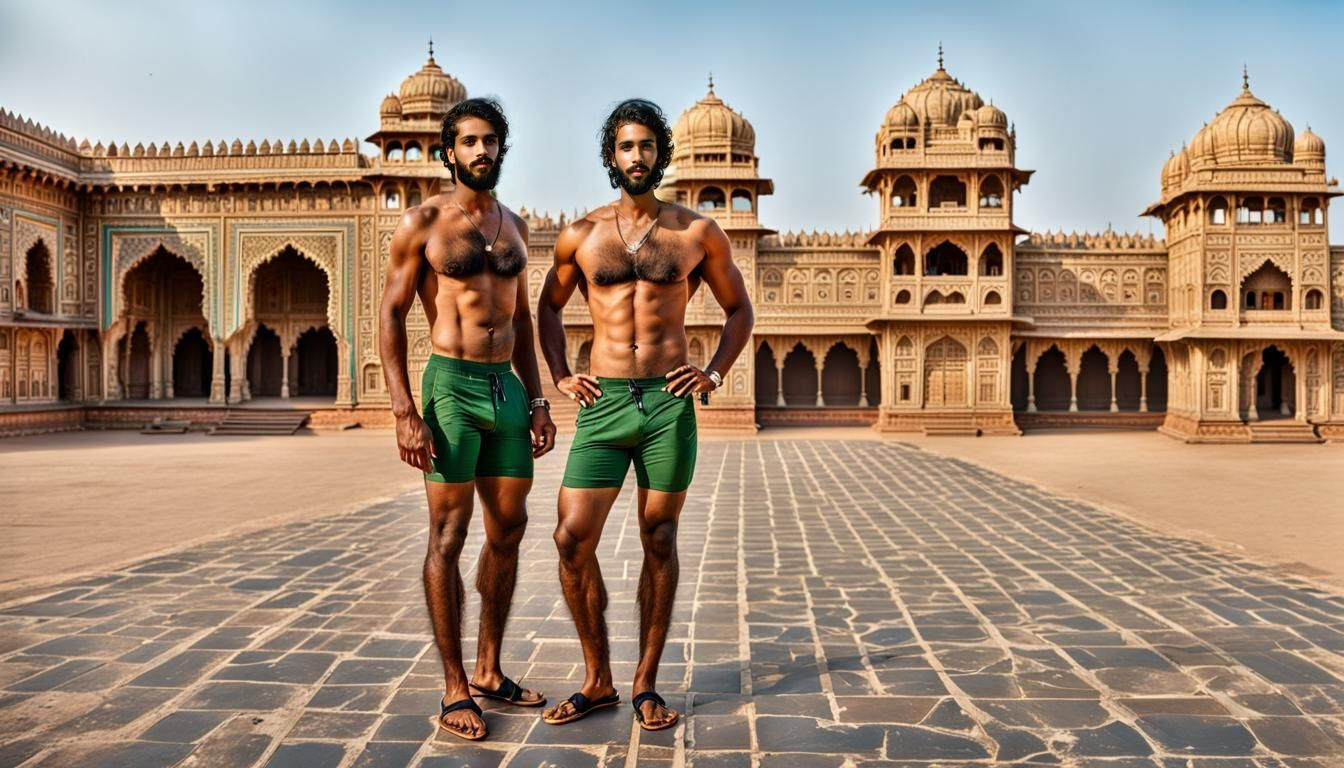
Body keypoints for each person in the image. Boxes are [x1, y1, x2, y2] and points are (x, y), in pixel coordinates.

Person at [536, 98, 754, 731]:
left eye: (648, 147)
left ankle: (645, 683)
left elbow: (740, 311)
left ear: (663, 155)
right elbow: (547, 309)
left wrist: (713, 371)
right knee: (571, 538)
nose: (638, 157)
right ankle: (597, 678)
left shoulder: (695, 233)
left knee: (659, 538)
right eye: (627, 147)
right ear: (613, 156)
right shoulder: (582, 235)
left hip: (667, 404)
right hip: (602, 403)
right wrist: (559, 374)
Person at [378, 97, 556, 741]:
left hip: (506, 388)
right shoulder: (423, 222)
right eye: (471, 142)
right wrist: (404, 409)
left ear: (502, 149)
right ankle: (454, 686)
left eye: (492, 141)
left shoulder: (516, 226)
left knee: (509, 526)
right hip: (450, 386)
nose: (482, 151)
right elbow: (392, 315)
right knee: (448, 537)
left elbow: (525, 318)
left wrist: (537, 398)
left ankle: (488, 668)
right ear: (449, 150)